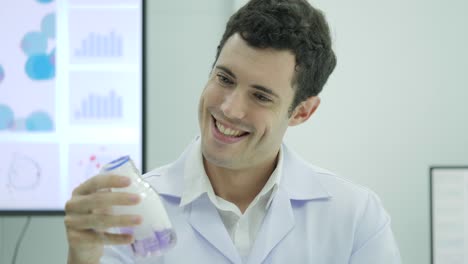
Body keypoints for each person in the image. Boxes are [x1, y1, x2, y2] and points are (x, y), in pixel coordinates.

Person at [65, 0, 402, 263]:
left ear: (302, 112)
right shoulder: (131, 210)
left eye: (260, 96)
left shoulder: (356, 216)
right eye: (224, 78)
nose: (228, 108)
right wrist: (82, 260)